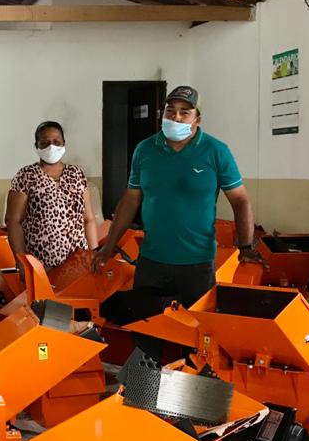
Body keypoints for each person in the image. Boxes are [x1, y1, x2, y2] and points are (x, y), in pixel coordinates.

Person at [93, 85, 259, 308]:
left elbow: (240, 200)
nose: (176, 117)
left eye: (184, 112)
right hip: (151, 262)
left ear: (197, 119)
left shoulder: (216, 151)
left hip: (197, 265)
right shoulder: (144, 150)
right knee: (146, 324)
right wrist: (109, 245)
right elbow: (130, 199)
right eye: (170, 110)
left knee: (194, 326)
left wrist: (246, 247)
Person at [6, 120, 98, 270]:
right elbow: (13, 221)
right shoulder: (26, 175)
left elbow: (89, 219)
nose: (51, 147)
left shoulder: (76, 174)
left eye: (56, 142)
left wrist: (94, 254)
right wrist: (23, 262)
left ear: (63, 144)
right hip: (40, 263)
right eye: (45, 143)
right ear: (36, 145)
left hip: (78, 261)